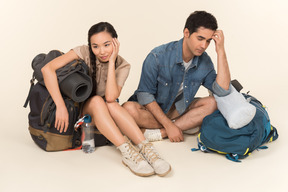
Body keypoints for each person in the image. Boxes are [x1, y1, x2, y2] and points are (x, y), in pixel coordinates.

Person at [41, 22, 171, 177]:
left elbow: (111, 97)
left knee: (112, 104)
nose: (101, 51)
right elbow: (47, 69)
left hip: (105, 113)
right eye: (95, 46)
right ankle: (126, 151)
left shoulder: (122, 65)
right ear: (90, 46)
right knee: (97, 101)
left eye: (106, 45)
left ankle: (147, 150)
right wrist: (60, 105)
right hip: (79, 112)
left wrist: (111, 62)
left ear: (115, 42)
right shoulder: (82, 51)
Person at [123, 11, 231, 143]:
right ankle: (184, 125)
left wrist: (220, 50)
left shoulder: (205, 61)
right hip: (151, 112)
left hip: (177, 111)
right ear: (187, 33)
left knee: (213, 103)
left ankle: (160, 133)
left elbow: (223, 90)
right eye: (200, 38)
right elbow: (145, 96)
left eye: (208, 41)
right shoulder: (157, 56)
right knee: (128, 110)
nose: (204, 46)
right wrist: (169, 125)